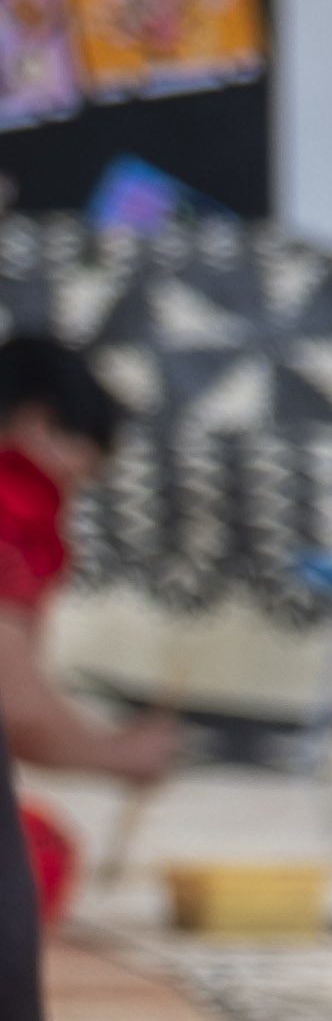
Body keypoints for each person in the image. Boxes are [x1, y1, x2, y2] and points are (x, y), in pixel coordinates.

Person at [0, 335, 179, 920]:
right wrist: (119, 755)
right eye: (76, 480)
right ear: (40, 423)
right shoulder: (16, 491)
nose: (67, 501)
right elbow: (13, 701)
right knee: (34, 864)